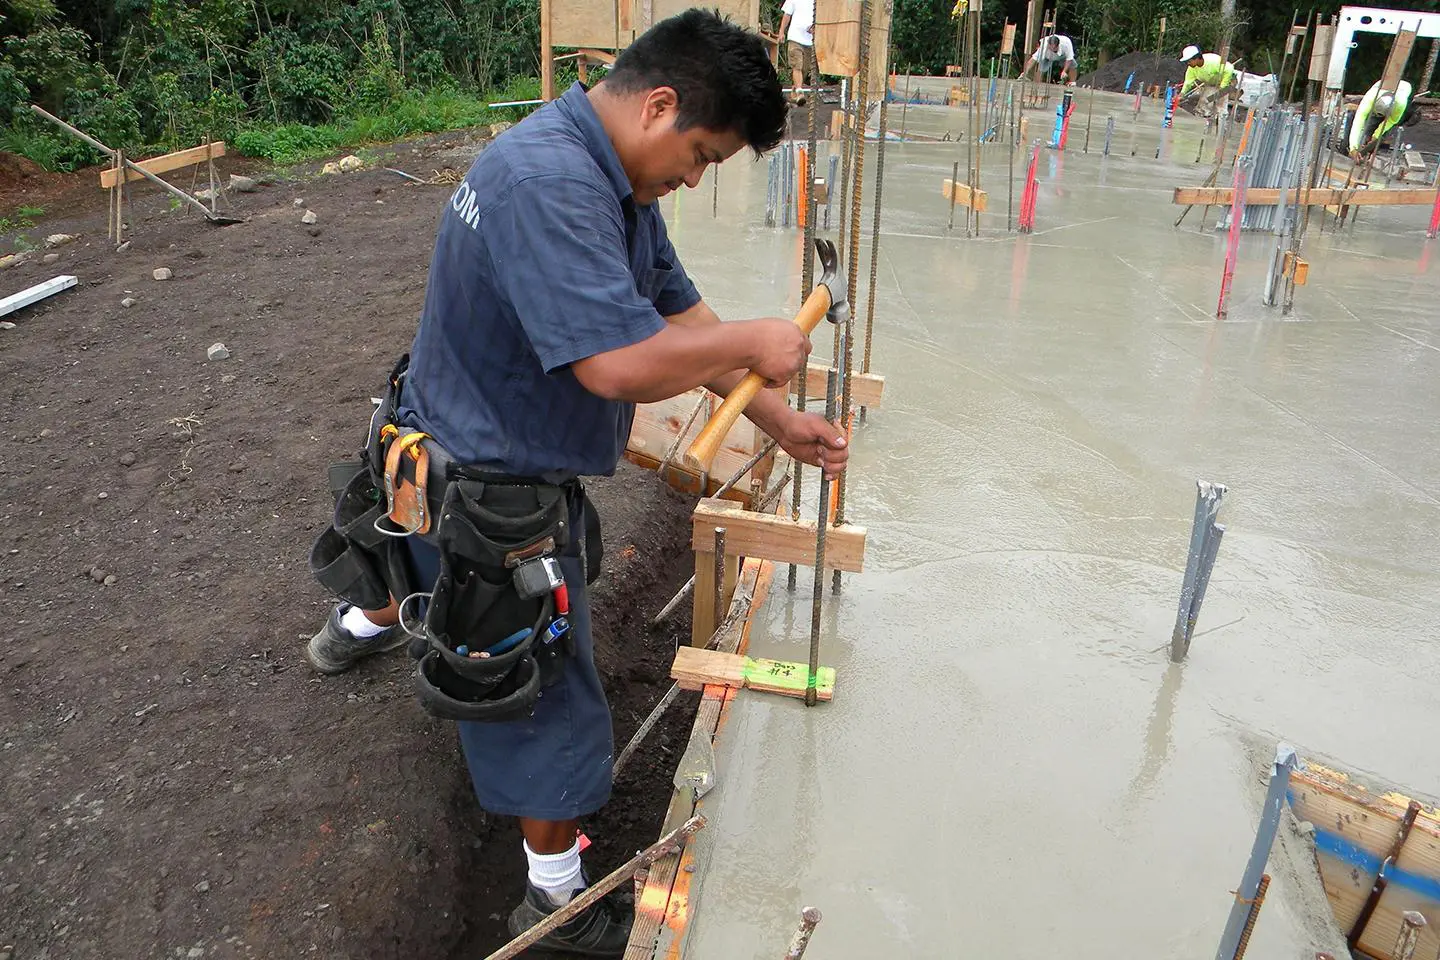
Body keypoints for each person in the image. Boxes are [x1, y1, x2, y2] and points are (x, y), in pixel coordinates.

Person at [303, 8, 849, 957]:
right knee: (546, 696)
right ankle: (552, 904)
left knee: (418, 554)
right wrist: (761, 340)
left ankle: (354, 628)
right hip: (491, 485)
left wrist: (773, 415)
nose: (695, 177)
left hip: (441, 444)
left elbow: (674, 311)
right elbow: (618, 364)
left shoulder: (607, 175)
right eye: (705, 156)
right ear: (662, 104)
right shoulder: (551, 185)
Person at [1349, 79, 1416, 159]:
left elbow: (1392, 120)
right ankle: (1365, 147)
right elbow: (1358, 122)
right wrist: (1353, 148)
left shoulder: (1400, 103)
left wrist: (1377, 135)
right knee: (1369, 125)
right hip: (1381, 91)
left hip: (1405, 91)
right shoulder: (1369, 99)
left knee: (1390, 127)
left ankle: (1374, 151)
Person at [1178, 45, 1238, 118]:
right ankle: (1203, 118)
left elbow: (1229, 69)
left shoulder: (1212, 60)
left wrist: (1223, 87)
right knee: (1204, 103)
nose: (1188, 63)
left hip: (1228, 81)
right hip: (1212, 83)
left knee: (1219, 103)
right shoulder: (1192, 68)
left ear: (1197, 58)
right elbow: (1188, 82)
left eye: (1189, 61)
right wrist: (1182, 94)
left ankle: (1220, 120)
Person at [779, 0, 815, 105]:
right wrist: (781, 32)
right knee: (797, 65)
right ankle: (800, 92)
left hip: (809, 41)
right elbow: (787, 15)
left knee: (804, 69)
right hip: (795, 38)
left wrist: (815, 27)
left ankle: (794, 95)